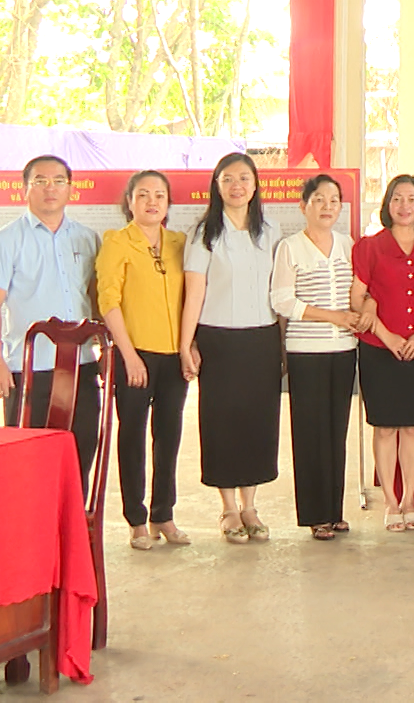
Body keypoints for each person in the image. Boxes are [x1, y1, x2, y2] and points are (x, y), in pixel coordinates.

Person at [0, 155, 103, 485]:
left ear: (70, 189)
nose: (51, 188)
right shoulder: (5, 240)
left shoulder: (88, 239)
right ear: (25, 189)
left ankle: (74, 519)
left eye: (59, 181)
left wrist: (106, 350)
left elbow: (97, 300)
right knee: (27, 462)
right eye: (41, 181)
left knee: (81, 455)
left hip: (81, 365)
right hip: (30, 368)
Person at [179, 152, 283, 544]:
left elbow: (278, 290)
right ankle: (227, 508)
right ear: (217, 185)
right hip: (218, 338)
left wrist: (283, 343)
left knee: (257, 420)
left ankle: (250, 505)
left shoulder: (269, 231)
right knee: (222, 421)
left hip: (262, 338)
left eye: (243, 178)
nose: (236, 186)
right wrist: (186, 344)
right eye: (228, 179)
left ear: (255, 185)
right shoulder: (204, 232)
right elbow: (194, 292)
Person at [97, 170, 190, 551]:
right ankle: (136, 520)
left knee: (169, 436)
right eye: (143, 195)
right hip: (134, 355)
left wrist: (189, 346)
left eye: (160, 195)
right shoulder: (117, 242)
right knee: (133, 436)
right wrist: (129, 355)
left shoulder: (179, 243)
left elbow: (192, 298)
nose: (152, 202)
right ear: (130, 202)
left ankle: (163, 514)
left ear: (168, 203)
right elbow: (108, 301)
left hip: (174, 356)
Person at [351, 175, 414, 534]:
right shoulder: (369, 247)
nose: (404, 206)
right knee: (385, 427)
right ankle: (391, 503)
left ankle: (409, 501)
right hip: (379, 350)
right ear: (387, 204)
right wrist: (387, 336)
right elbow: (357, 299)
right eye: (397, 198)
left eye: (411, 199)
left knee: (413, 427)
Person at [270, 174, 362, 541]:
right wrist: (332, 317)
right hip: (306, 352)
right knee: (310, 434)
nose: (327, 207)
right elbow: (282, 301)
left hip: (344, 351)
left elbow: (360, 290)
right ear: (303, 206)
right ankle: (314, 514)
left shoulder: (348, 245)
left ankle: (335, 511)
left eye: (334, 200)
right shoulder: (290, 247)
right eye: (319, 200)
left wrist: (361, 313)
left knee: (336, 433)